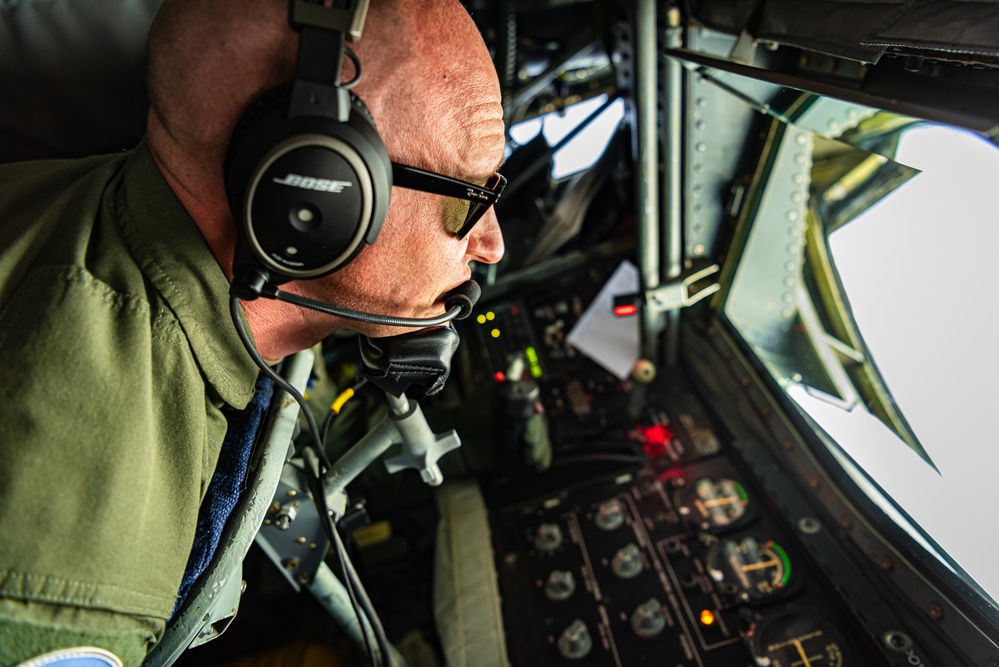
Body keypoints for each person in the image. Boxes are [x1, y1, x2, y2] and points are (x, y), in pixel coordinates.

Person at [0, 0, 505, 664]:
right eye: (466, 199)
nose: (492, 245)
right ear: (320, 190)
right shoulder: (82, 560)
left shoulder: (87, 209)